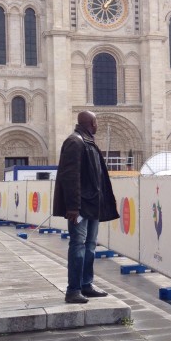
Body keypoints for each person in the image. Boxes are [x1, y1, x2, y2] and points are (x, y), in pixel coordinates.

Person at [53, 111, 119, 303]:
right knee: (78, 245)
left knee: (90, 245)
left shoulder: (87, 141)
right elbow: (70, 176)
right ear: (91, 123)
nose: (98, 124)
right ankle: (73, 290)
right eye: (96, 121)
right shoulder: (75, 142)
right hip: (81, 206)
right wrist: (73, 207)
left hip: (93, 204)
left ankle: (86, 285)